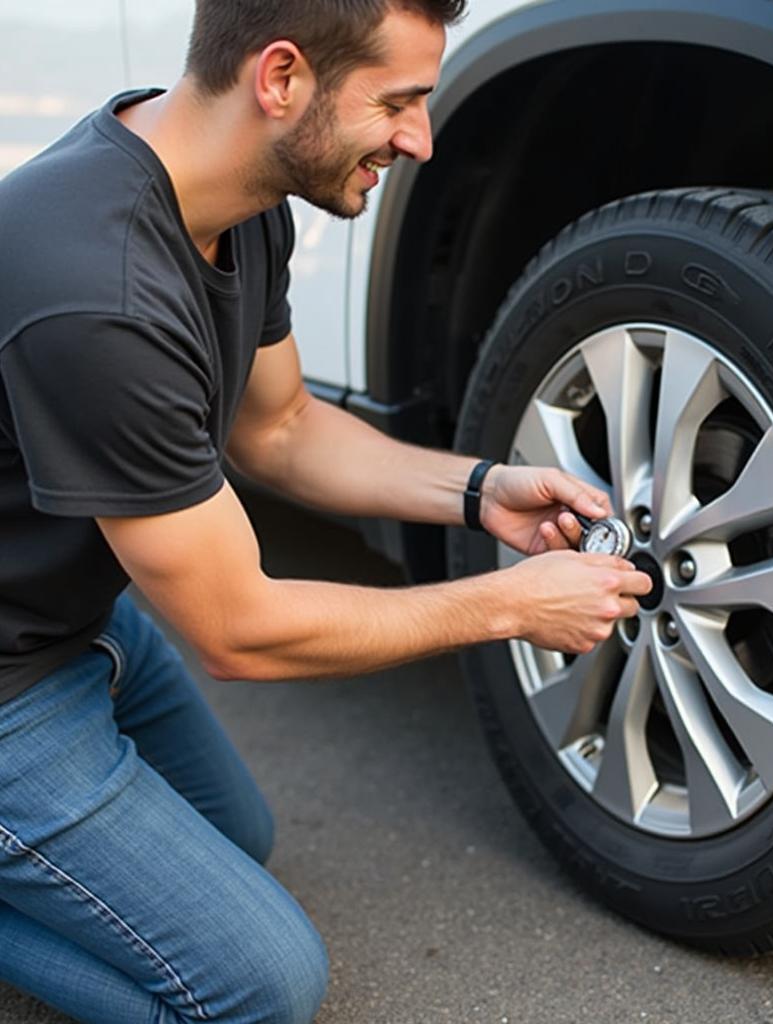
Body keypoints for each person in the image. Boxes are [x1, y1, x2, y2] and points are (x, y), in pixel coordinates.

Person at [0, 1, 651, 1021]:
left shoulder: (233, 195)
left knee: (235, 837)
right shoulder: (99, 290)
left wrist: (479, 493)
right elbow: (236, 629)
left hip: (76, 617)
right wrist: (511, 605)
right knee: (260, 988)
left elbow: (284, 429)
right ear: (280, 78)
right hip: (9, 688)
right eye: (398, 100)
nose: (421, 138)